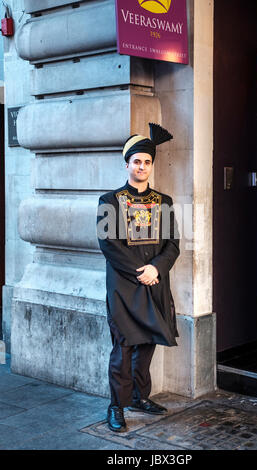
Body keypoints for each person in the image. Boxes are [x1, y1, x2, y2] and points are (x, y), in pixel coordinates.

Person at [96, 122, 180, 432]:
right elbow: (109, 245)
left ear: (151, 165)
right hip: (123, 288)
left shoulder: (165, 202)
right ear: (127, 164)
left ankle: (139, 397)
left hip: (155, 283)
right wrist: (140, 271)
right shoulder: (109, 201)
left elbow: (173, 244)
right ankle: (116, 405)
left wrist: (156, 268)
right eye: (136, 161)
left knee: (147, 344)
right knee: (124, 347)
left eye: (147, 161)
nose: (142, 166)